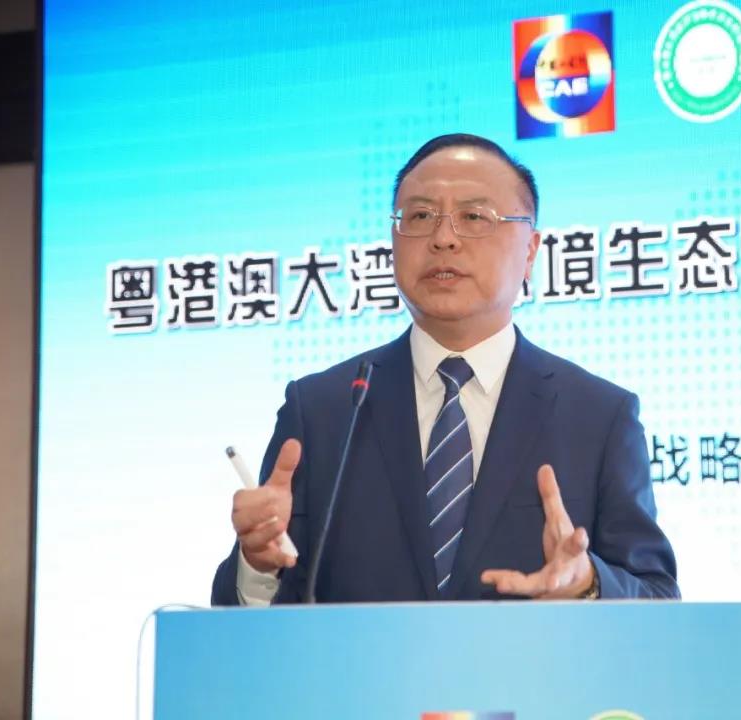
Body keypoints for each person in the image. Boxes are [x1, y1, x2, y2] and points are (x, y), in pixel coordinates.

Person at [211, 133, 679, 605]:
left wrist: (587, 585)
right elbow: (248, 619)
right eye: (419, 217)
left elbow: (658, 597)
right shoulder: (324, 410)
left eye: (474, 217)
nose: (443, 238)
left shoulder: (599, 415)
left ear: (530, 250)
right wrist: (257, 565)